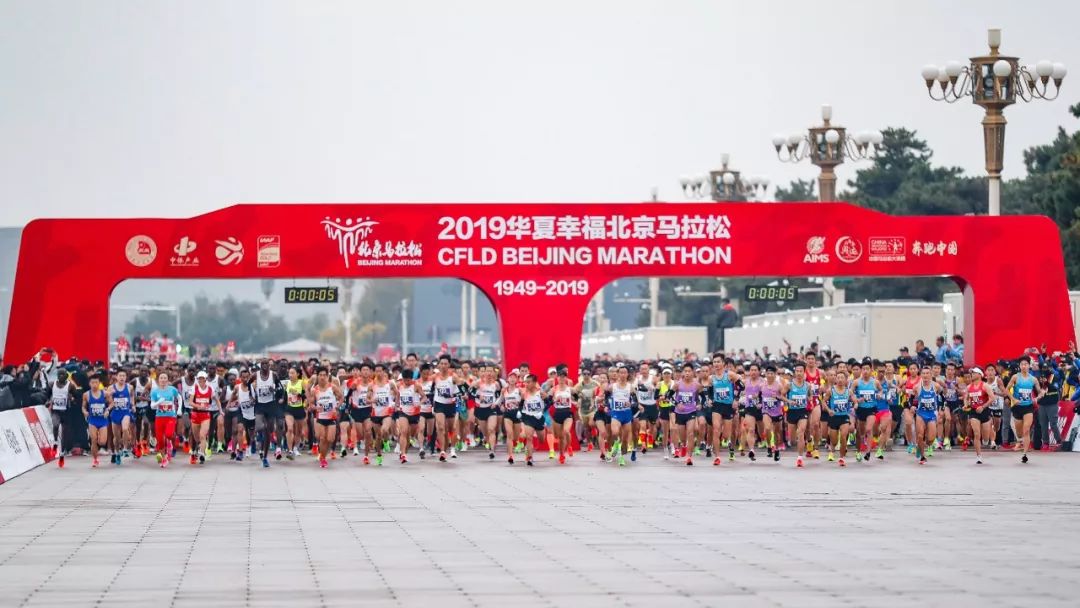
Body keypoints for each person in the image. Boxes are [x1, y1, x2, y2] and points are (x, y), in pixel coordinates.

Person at [1006, 356, 1041, 464]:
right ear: (1020, 366)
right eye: (1022, 364)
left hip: (1028, 407)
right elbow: (1006, 390)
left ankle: (1024, 454)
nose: (1024, 366)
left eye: (1026, 364)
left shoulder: (1033, 379)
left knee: (1026, 430)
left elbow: (1039, 392)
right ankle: (1020, 440)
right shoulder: (1015, 377)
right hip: (1017, 407)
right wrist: (1013, 399)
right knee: (1020, 433)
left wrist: (1037, 398)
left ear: (1029, 365)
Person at [306, 367, 343, 468]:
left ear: (327, 376)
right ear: (317, 377)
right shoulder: (315, 390)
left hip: (331, 417)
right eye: (320, 375)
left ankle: (323, 454)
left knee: (330, 439)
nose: (322, 377)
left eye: (324, 375)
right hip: (320, 418)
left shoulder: (333, 387)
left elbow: (341, 398)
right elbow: (311, 404)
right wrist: (315, 407)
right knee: (321, 438)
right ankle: (323, 458)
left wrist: (337, 407)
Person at [671, 363, 703, 466]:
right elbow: (668, 396)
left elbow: (701, 398)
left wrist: (699, 404)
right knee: (682, 436)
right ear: (683, 373)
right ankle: (683, 445)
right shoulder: (677, 384)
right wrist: (677, 404)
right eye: (685, 371)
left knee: (690, 433)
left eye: (689, 371)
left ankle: (689, 457)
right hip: (680, 413)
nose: (687, 373)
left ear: (693, 372)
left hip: (691, 412)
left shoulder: (697, 385)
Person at [708, 356, 739, 465]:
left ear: (723, 364)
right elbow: (710, 391)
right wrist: (710, 399)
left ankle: (728, 445)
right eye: (714, 362)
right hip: (717, 406)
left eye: (718, 362)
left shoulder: (730, 375)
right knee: (716, 430)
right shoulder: (711, 378)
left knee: (726, 435)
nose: (716, 364)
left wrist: (736, 399)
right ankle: (717, 457)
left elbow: (741, 386)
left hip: (728, 406)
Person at [823, 369, 856, 466]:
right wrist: (829, 410)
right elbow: (824, 401)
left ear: (846, 380)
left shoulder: (848, 391)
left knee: (843, 436)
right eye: (838, 378)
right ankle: (832, 448)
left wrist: (856, 404)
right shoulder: (831, 391)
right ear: (836, 379)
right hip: (834, 417)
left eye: (842, 378)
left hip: (844, 417)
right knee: (834, 441)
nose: (840, 380)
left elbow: (854, 400)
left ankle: (841, 458)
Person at [250, 359, 280, 468]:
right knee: (259, 427)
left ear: (269, 365)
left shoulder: (274, 375)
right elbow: (248, 384)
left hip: (271, 405)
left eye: (266, 363)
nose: (264, 365)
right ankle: (259, 437)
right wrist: (251, 396)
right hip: (260, 405)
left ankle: (265, 457)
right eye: (262, 364)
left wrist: (275, 390)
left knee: (269, 431)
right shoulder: (255, 375)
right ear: (260, 365)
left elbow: (280, 388)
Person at [150, 372, 181, 468]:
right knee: (160, 440)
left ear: (167, 380)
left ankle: (170, 443)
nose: (163, 380)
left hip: (171, 416)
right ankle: (164, 458)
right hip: (159, 417)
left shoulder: (172, 390)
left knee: (168, 434)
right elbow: (152, 406)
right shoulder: (155, 391)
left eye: (165, 378)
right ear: (158, 380)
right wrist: (159, 402)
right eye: (161, 378)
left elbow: (179, 398)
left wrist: (179, 409)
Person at [913, 367, 942, 465]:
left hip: (931, 414)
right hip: (921, 413)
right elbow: (913, 399)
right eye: (923, 373)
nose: (925, 375)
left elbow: (941, 397)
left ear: (931, 375)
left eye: (927, 373)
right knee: (920, 435)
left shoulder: (936, 386)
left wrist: (940, 409)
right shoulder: (917, 387)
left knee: (930, 439)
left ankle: (920, 446)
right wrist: (912, 406)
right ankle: (922, 456)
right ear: (921, 375)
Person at [48, 369, 78, 468]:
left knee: (65, 433)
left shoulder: (70, 386)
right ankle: (55, 442)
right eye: (59, 374)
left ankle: (61, 454)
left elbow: (77, 397)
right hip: (55, 411)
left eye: (63, 374)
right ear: (57, 375)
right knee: (55, 425)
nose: (61, 376)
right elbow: (47, 395)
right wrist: (48, 401)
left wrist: (72, 399)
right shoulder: (52, 384)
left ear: (66, 375)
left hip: (66, 412)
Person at [784, 361, 811, 468]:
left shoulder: (808, 385)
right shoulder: (789, 385)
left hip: (802, 411)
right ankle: (797, 446)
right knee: (793, 440)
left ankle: (800, 458)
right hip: (792, 412)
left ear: (804, 372)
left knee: (801, 432)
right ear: (794, 372)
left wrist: (808, 399)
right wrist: (789, 401)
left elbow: (810, 396)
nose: (799, 373)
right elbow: (781, 395)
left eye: (801, 371)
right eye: (797, 371)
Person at [395, 370, 424, 464]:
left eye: (408, 380)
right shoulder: (400, 386)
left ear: (412, 379)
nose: (406, 382)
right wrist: (396, 405)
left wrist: (420, 403)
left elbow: (424, 397)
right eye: (405, 380)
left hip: (415, 414)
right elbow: (398, 397)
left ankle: (405, 451)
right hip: (403, 412)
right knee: (403, 431)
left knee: (409, 435)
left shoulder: (416, 386)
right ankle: (403, 454)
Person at [188, 371, 217, 464]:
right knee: (197, 438)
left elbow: (217, 400)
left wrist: (220, 410)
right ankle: (200, 447)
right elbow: (190, 402)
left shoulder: (210, 388)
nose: (200, 380)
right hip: (195, 414)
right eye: (199, 378)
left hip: (205, 415)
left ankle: (202, 454)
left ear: (205, 379)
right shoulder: (194, 388)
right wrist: (198, 406)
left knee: (202, 435)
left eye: (202, 378)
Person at [964, 367, 992, 464]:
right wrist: (966, 404)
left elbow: (992, 398)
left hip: (984, 411)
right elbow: (966, 398)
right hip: (973, 411)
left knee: (985, 438)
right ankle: (979, 456)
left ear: (980, 375)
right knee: (976, 433)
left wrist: (983, 407)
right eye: (971, 373)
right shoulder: (968, 387)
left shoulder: (985, 386)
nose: (972, 374)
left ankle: (985, 440)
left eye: (974, 373)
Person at [82, 375, 111, 467]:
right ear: (89, 384)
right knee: (93, 440)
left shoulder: (105, 393)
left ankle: (99, 437)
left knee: (102, 442)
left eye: (96, 383)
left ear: (99, 383)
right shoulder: (86, 394)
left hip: (102, 420)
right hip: (92, 420)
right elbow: (83, 406)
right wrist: (85, 412)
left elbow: (112, 403)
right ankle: (95, 459)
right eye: (92, 383)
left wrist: (107, 410)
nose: (94, 385)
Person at [107, 369, 134, 465]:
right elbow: (108, 400)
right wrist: (110, 395)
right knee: (117, 437)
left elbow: (131, 396)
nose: (122, 377)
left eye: (124, 376)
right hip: (115, 413)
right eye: (120, 376)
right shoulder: (111, 388)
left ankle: (125, 448)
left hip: (125, 412)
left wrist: (133, 405)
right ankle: (117, 452)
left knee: (125, 429)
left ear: (126, 377)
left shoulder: (130, 387)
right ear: (116, 377)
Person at [518, 374, 547, 466]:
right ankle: (529, 457)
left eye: (529, 382)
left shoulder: (541, 393)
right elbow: (520, 405)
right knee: (529, 437)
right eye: (526, 382)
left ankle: (540, 432)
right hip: (528, 417)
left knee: (542, 440)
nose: (526, 384)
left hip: (539, 418)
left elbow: (549, 404)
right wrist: (519, 412)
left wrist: (542, 411)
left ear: (534, 383)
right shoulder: (524, 393)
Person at [283, 367, 306, 459]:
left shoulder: (302, 383)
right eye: (289, 373)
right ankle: (290, 450)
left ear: (298, 374)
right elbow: (285, 396)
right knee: (290, 429)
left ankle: (295, 447)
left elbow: (307, 395)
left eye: (292, 373)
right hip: (289, 409)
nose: (290, 375)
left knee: (298, 431)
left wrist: (301, 395)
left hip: (299, 409)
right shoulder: (287, 383)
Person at [501, 370, 523, 464]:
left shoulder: (519, 390)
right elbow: (501, 400)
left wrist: (521, 410)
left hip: (517, 414)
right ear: (508, 379)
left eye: (514, 377)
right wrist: (499, 405)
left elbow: (525, 400)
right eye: (511, 377)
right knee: (509, 434)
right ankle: (510, 456)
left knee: (516, 437)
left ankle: (519, 442)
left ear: (517, 379)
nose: (512, 379)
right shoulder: (504, 390)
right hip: (508, 414)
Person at [132, 367, 154, 458]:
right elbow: (128, 391)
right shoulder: (134, 381)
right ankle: (137, 444)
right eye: (142, 370)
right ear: (139, 372)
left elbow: (154, 394)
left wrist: (148, 399)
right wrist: (136, 398)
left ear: (148, 372)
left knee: (146, 423)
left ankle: (144, 442)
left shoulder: (151, 381)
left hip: (146, 406)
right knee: (138, 426)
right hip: (137, 407)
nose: (144, 372)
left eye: (145, 371)